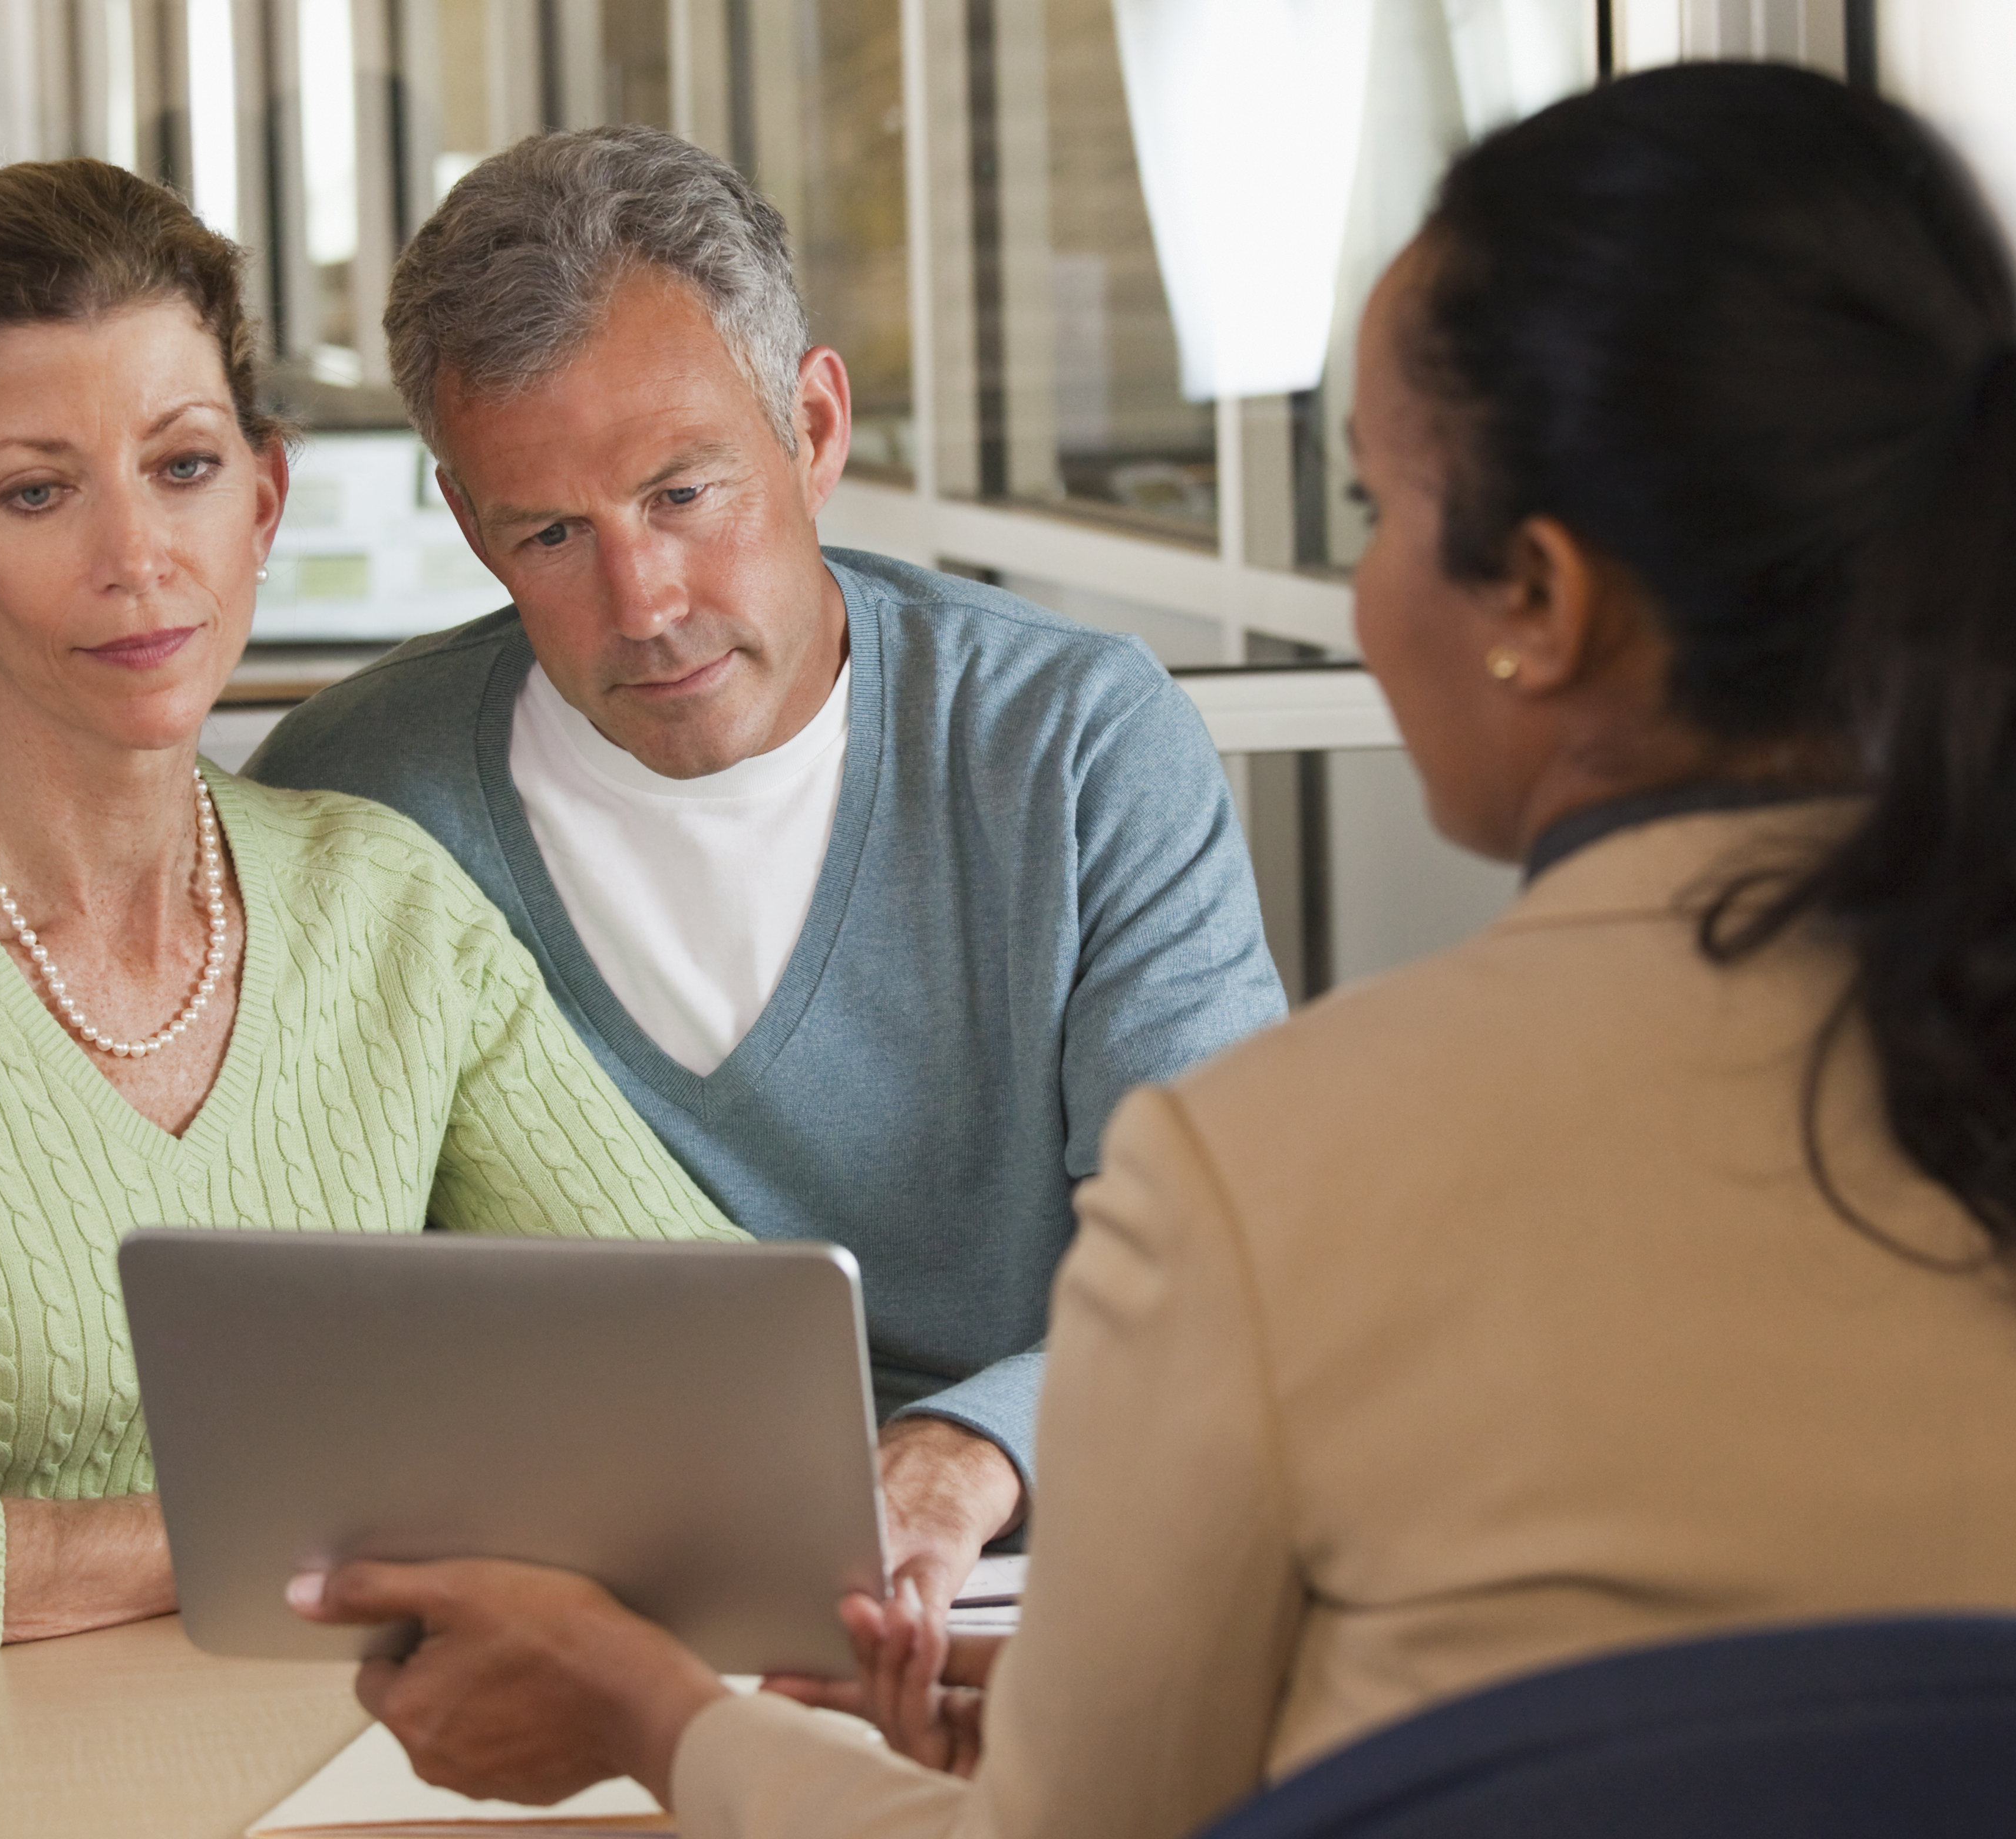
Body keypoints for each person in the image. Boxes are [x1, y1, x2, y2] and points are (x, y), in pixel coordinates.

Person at [281, 64, 2016, 1838]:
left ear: (1543, 601)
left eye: (1377, 512)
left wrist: (655, 1711)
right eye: (547, 533)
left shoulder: (1281, 1173)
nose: (1363, 593)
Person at [0, 159, 743, 1839]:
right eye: (35, 493)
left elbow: (708, 1359)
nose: (138, 558)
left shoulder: (381, 908)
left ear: (266, 498)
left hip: (310, 1790)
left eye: (181, 468)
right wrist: (304, 1532)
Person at [243, 127, 1288, 1610]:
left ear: (812, 426)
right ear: (472, 530)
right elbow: (314, 1317)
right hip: (559, 1593)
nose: (644, 600)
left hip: (1035, 1568)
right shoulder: (352, 796)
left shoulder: (1074, 746)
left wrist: (967, 1452)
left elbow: (1241, 1265)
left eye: (685, 493)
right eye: (551, 531)